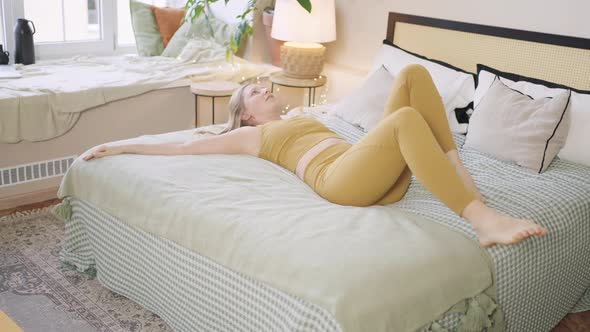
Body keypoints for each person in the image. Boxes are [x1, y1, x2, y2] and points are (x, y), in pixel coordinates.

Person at [83, 64, 547, 247]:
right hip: (341, 182)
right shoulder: (252, 138)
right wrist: (122, 145)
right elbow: (185, 147)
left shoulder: (303, 115)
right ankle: (480, 217)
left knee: (412, 76)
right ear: (245, 116)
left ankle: (455, 169)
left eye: (262, 85)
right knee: (406, 121)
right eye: (253, 92)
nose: (265, 88)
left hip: (374, 171)